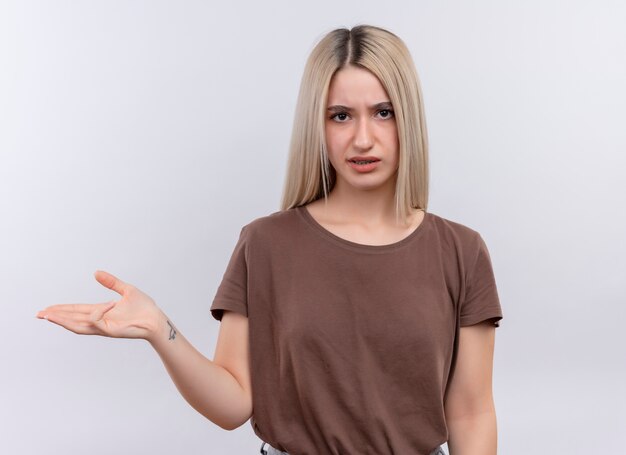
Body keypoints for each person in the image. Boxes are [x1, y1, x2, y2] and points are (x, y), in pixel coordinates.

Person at [37, 25, 503, 455]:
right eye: (340, 116)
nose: (363, 138)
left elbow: (471, 412)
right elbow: (233, 403)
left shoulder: (461, 251)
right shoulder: (265, 244)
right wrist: (162, 331)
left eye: (383, 113)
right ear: (317, 127)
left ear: (409, 119)